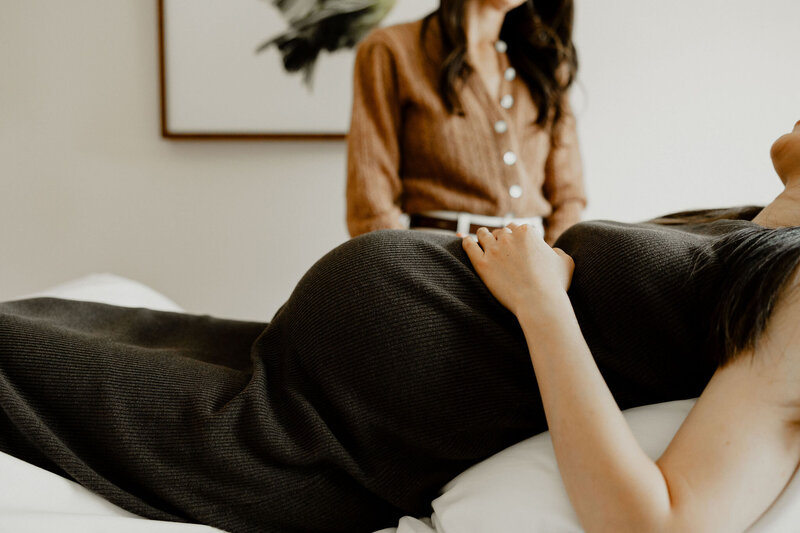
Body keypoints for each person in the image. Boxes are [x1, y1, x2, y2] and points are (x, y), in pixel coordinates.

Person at [0, 120, 798, 532]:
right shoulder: (770, 230)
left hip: (322, 434)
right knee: (49, 324)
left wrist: (541, 304)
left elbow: (655, 523)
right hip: (292, 367)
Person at [346, 0, 586, 244]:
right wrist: (403, 269)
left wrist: (553, 267)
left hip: (535, 263)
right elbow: (370, 201)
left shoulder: (546, 62)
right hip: (434, 261)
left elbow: (569, 197)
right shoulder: (390, 50)